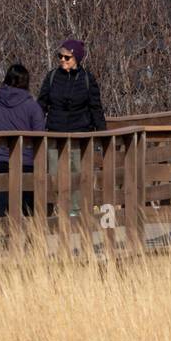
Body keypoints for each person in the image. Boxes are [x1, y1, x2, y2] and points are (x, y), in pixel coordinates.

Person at [38, 40, 105, 216]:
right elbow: (41, 105)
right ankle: (57, 210)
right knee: (54, 174)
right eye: (60, 56)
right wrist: (35, 129)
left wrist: (103, 136)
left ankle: (75, 211)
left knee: (78, 174)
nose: (62, 60)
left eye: (67, 57)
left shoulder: (87, 79)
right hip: (55, 134)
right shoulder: (52, 77)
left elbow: (96, 108)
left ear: (76, 58)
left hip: (80, 135)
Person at [0, 63, 46, 217]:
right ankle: (30, 240)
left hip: (0, 162)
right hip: (27, 163)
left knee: (0, 209)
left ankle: (1, 239)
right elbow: (40, 135)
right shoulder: (32, 106)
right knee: (27, 211)